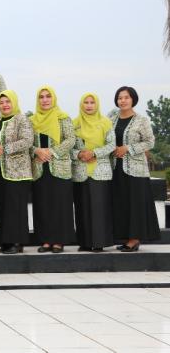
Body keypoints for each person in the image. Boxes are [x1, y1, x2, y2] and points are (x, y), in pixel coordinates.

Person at [109, 86, 159, 252]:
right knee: (122, 203)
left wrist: (128, 148)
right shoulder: (111, 118)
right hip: (116, 168)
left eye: (126, 97)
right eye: (120, 98)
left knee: (134, 204)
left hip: (136, 170)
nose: (122, 101)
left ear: (133, 99)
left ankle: (134, 240)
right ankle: (126, 238)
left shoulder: (141, 120)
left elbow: (150, 142)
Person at [30, 86, 76, 253]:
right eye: (41, 97)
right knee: (43, 205)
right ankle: (46, 240)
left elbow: (70, 140)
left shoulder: (63, 118)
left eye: (48, 96)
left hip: (59, 167)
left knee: (60, 205)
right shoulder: (32, 120)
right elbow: (28, 142)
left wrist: (52, 152)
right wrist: (37, 150)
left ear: (53, 98)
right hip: (40, 167)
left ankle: (59, 241)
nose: (45, 100)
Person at [0, 90, 33, 254]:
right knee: (2, 206)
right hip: (0, 171)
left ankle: (18, 242)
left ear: (13, 102)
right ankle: (6, 241)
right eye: (1, 102)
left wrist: (5, 148)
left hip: (18, 172)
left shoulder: (21, 119)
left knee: (16, 208)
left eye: (7, 102)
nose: (4, 105)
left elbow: (27, 141)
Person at [72, 93, 115, 252]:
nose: (89, 105)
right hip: (80, 171)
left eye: (92, 102)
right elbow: (70, 146)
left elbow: (111, 145)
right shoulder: (74, 123)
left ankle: (99, 242)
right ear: (81, 105)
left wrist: (94, 153)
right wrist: (79, 154)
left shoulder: (105, 122)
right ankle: (84, 242)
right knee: (82, 207)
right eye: (86, 102)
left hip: (100, 171)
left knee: (99, 208)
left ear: (97, 105)